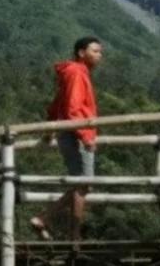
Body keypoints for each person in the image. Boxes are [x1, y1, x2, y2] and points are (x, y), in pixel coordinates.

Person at [30, 36, 102, 241]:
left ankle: (45, 219)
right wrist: (85, 136)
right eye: (95, 51)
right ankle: (74, 235)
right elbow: (72, 109)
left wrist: (50, 128)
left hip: (71, 133)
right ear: (81, 53)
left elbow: (57, 103)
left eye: (100, 52)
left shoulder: (73, 72)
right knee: (82, 185)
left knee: (82, 184)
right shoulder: (77, 72)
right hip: (77, 134)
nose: (99, 56)